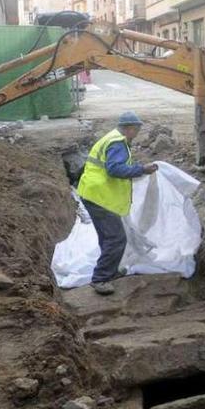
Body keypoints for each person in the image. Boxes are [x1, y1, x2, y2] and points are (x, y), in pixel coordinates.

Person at [77, 112, 157, 295]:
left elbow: (114, 165)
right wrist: (141, 169)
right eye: (137, 129)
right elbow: (114, 169)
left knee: (108, 237)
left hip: (93, 193)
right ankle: (100, 279)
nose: (137, 133)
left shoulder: (112, 138)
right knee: (116, 238)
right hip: (99, 197)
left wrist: (137, 168)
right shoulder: (118, 142)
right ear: (130, 128)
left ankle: (109, 272)